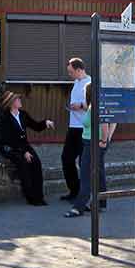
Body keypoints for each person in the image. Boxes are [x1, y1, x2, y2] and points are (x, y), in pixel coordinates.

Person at [65, 83, 116, 218]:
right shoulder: (95, 105)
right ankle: (101, 202)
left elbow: (105, 125)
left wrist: (104, 141)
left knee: (85, 173)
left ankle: (79, 207)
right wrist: (106, 141)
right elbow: (112, 121)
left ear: (89, 93)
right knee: (98, 171)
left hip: (93, 144)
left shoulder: (97, 106)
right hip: (91, 142)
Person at [0, 91, 54, 206]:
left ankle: (39, 196)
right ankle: (31, 197)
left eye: (19, 98)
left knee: (37, 163)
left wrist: (45, 123)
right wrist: (24, 152)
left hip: (23, 145)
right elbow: (8, 139)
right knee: (24, 164)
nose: (19, 100)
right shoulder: (6, 118)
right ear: (10, 103)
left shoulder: (23, 114)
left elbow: (36, 126)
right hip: (11, 147)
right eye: (17, 99)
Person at [61, 57, 91, 202]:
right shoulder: (76, 82)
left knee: (83, 162)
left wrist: (79, 106)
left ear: (79, 70)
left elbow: (93, 103)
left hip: (84, 127)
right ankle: (74, 190)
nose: (70, 75)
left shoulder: (89, 83)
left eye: (71, 72)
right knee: (66, 158)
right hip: (73, 126)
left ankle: (83, 194)